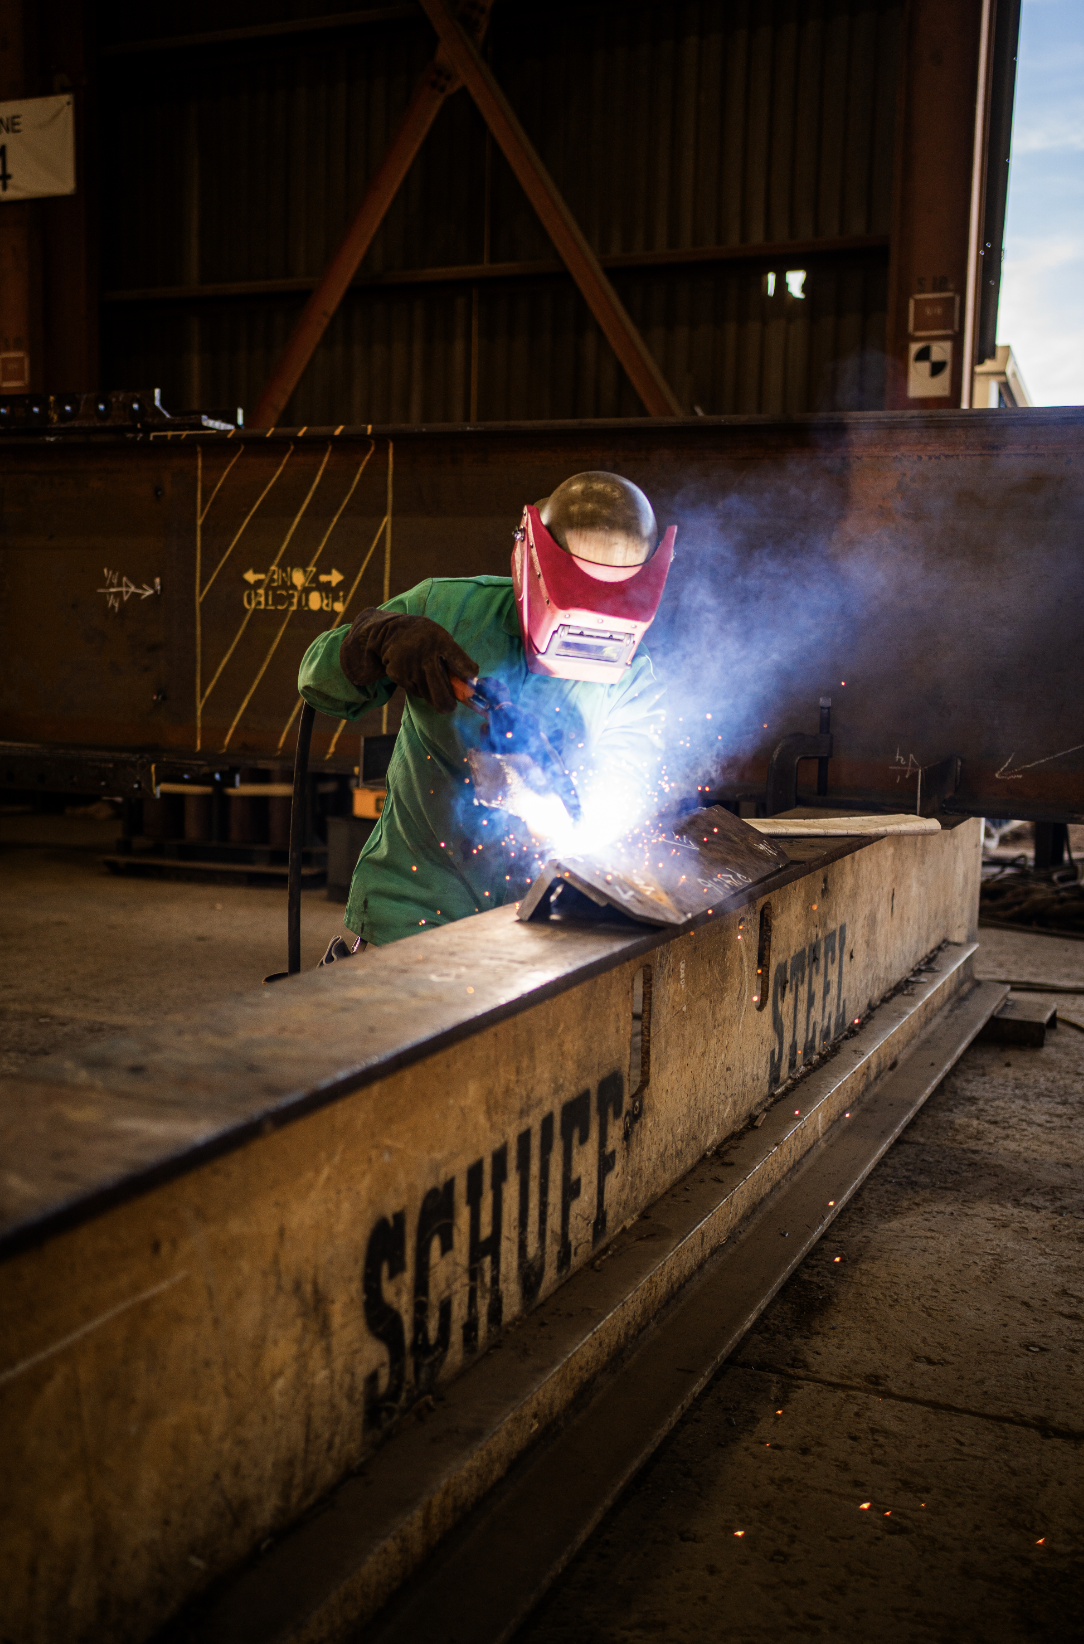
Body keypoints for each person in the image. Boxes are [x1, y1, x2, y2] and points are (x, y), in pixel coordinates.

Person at [298, 470, 676, 955]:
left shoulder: (632, 680)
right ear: (531, 564)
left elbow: (622, 796)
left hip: (540, 926)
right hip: (413, 914)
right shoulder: (449, 609)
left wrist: (563, 787)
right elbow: (316, 682)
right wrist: (377, 639)